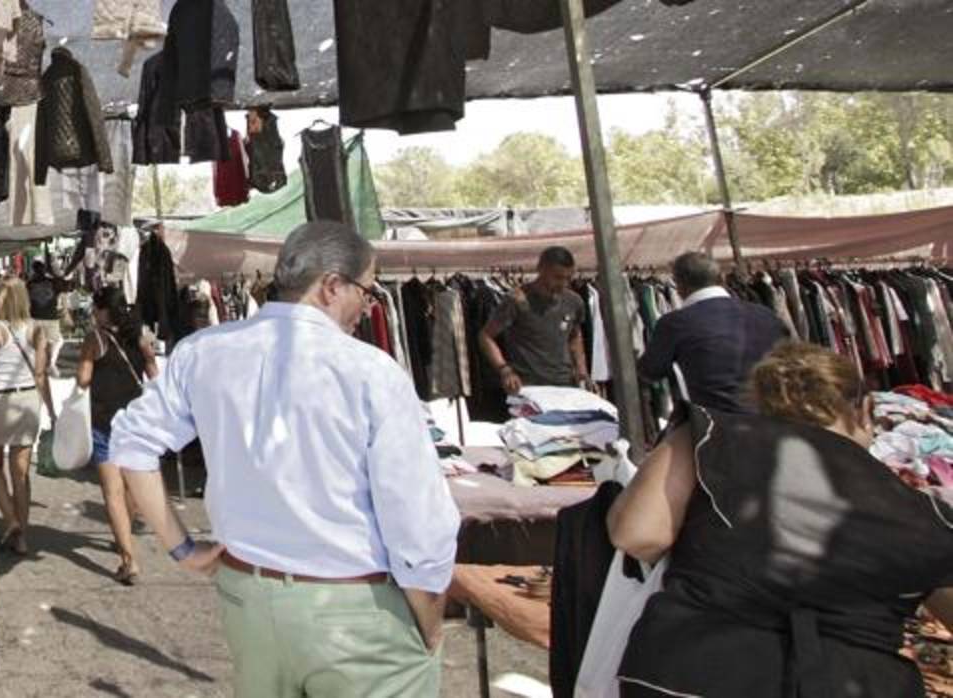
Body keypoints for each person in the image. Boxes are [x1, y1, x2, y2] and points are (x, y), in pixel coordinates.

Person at [110, 221, 460, 697]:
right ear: (332, 286)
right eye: (366, 290)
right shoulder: (370, 371)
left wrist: (183, 550)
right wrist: (429, 619)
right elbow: (417, 520)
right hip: (356, 610)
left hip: (250, 601)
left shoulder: (205, 352)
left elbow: (132, 441)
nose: (368, 305)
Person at [608, 342, 953, 697]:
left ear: (763, 404)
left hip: (693, 673)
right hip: (858, 682)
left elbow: (637, 534)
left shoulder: (711, 435)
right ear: (866, 410)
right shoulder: (924, 511)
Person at [76, 287, 158, 585]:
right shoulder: (138, 335)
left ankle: (129, 560)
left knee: (112, 492)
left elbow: (83, 379)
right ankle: (127, 530)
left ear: (100, 310)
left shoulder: (95, 338)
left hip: (105, 423)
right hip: (135, 421)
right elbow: (153, 372)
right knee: (130, 487)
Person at [637, 251, 788, 413]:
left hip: (717, 425)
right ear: (721, 279)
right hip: (775, 418)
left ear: (679, 286)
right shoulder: (766, 315)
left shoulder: (675, 324)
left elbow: (651, 372)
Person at [0, 277, 57, 556]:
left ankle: (10, 519)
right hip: (28, 399)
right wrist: (51, 411)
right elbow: (41, 374)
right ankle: (21, 538)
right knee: (21, 473)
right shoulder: (37, 331)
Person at [479, 246, 588, 394]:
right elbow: (486, 336)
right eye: (557, 277)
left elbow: (574, 336)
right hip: (528, 387)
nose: (563, 284)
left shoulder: (574, 302)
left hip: (565, 385)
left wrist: (582, 371)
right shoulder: (517, 300)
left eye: (568, 278)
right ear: (541, 269)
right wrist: (504, 369)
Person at [27, 260, 65, 374]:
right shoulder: (52, 282)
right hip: (49, 317)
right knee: (55, 341)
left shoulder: (29, 284)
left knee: (38, 343)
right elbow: (64, 286)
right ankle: (51, 364)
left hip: (36, 317)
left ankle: (43, 364)